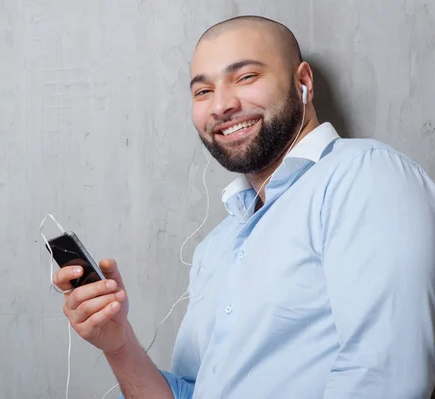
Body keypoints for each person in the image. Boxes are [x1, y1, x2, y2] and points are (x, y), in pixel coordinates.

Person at [52, 15, 435, 398]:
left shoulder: (363, 175)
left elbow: (386, 378)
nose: (221, 105)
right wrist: (119, 345)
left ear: (303, 82)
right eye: (202, 91)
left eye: (246, 77)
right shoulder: (216, 247)